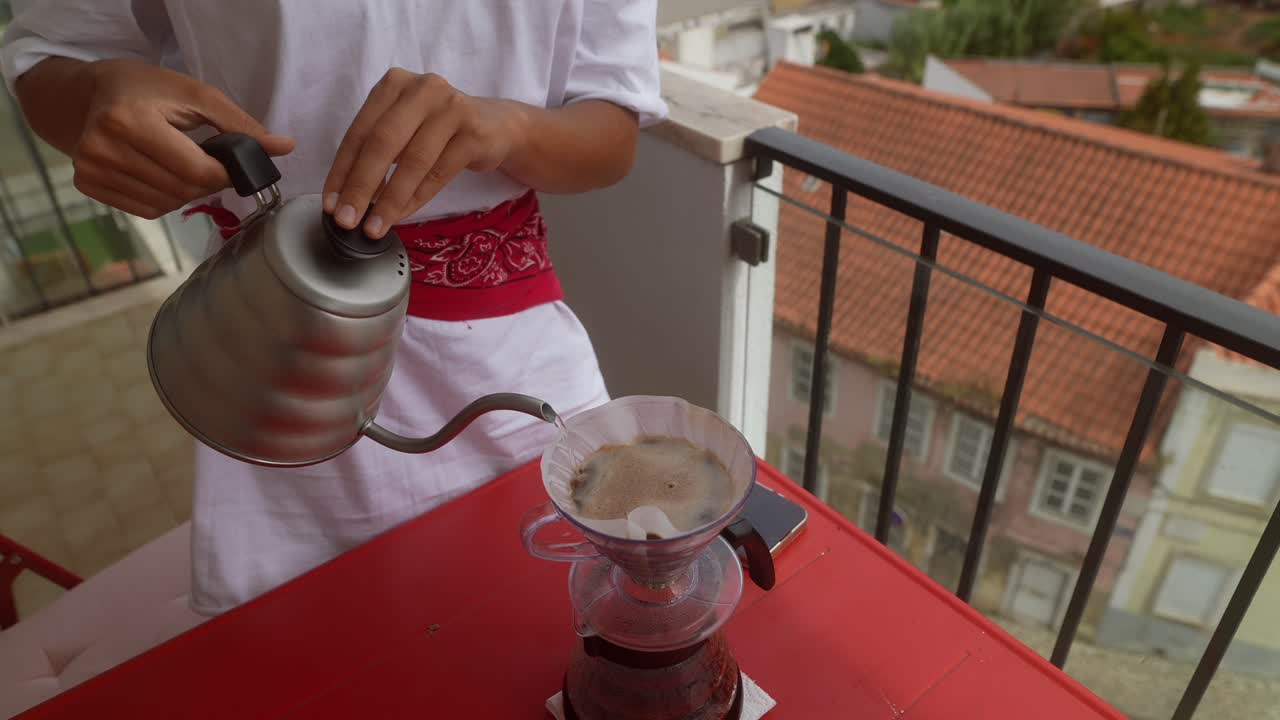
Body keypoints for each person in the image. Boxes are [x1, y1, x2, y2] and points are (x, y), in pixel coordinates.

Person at [2, 0, 667, 616]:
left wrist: (514, 126)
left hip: (513, 358)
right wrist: (94, 96)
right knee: (311, 659)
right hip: (273, 348)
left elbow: (612, 125)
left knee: (557, 627)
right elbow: (48, 54)